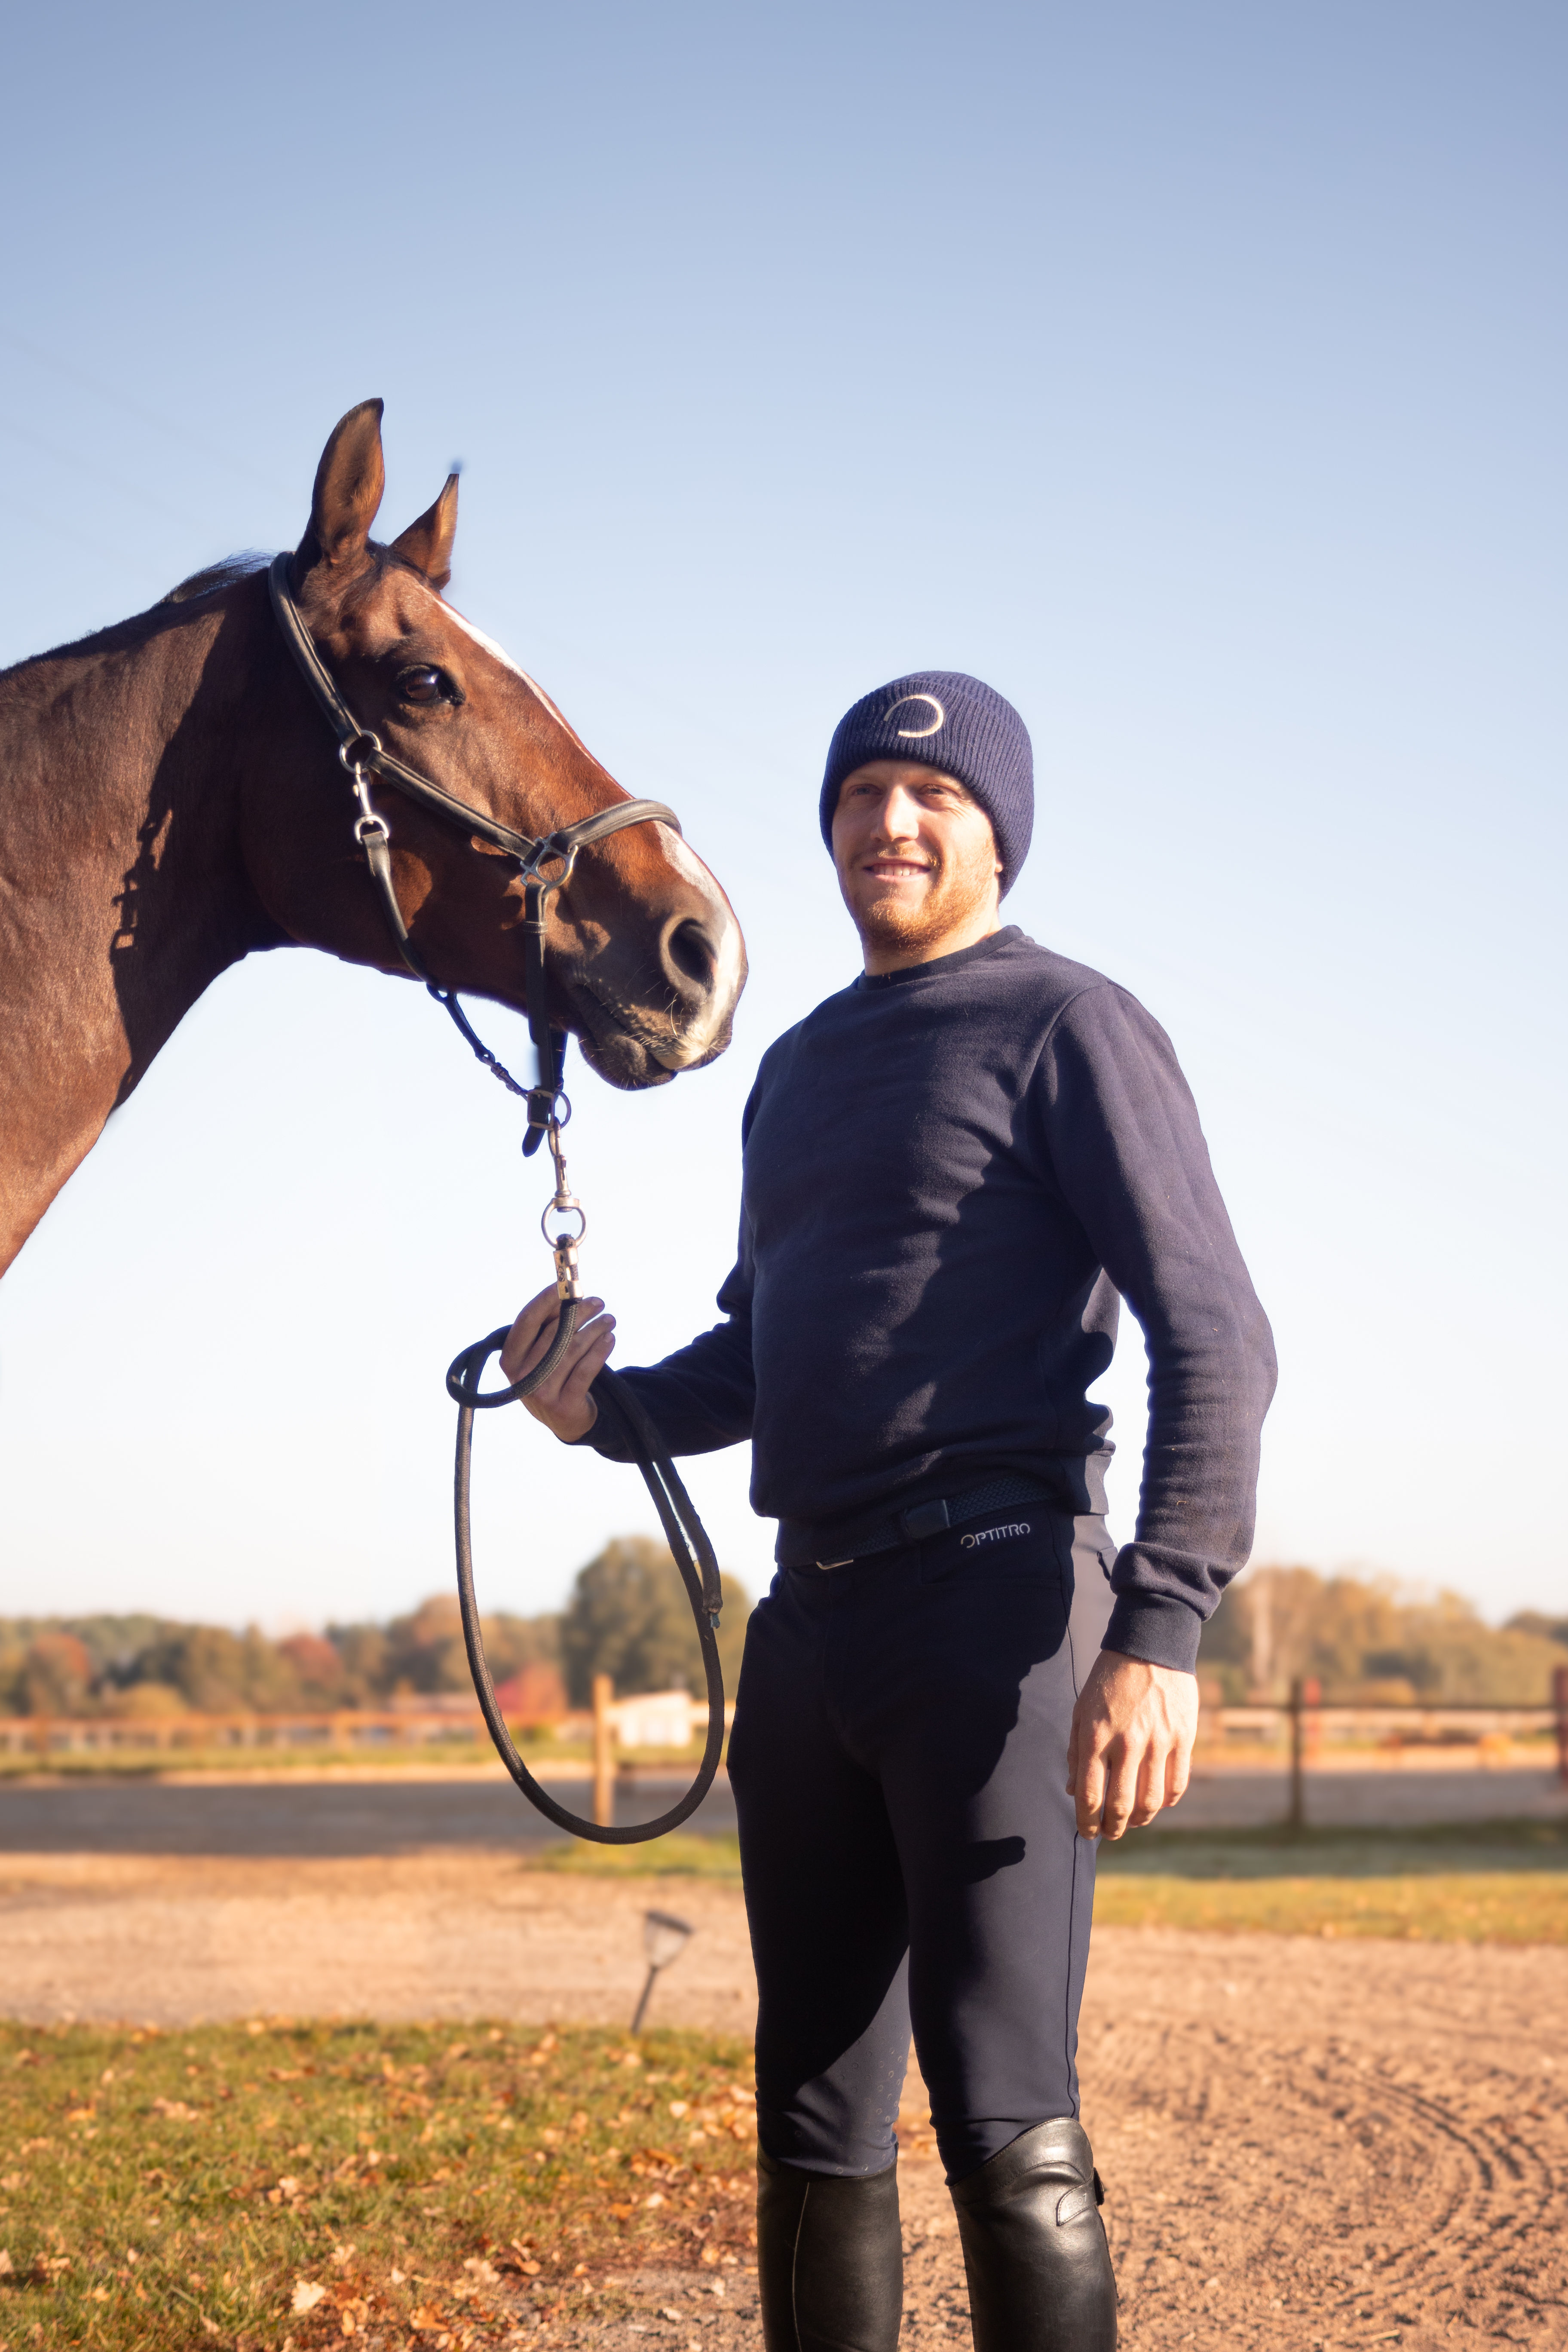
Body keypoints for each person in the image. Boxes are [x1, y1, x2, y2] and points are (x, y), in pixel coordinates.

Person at [502, 673, 1276, 2352]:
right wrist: (599, 1411)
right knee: (811, 2115)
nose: (893, 822)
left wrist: (1162, 1627)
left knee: (1004, 2107)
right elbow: (764, 1357)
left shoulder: (1072, 1027)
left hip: (1000, 1618)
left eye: (935, 795)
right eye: (861, 793)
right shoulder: (792, 1073)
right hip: (812, 1635)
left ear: (999, 831)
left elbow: (1217, 1332)